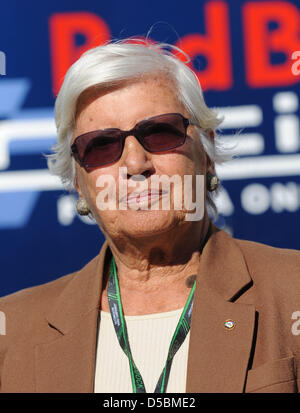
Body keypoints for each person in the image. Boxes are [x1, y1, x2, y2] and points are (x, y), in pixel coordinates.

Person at [0, 38, 300, 394]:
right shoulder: (13, 329)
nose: (135, 164)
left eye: (159, 132)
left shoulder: (291, 291)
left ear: (206, 152)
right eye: (102, 145)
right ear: (78, 182)